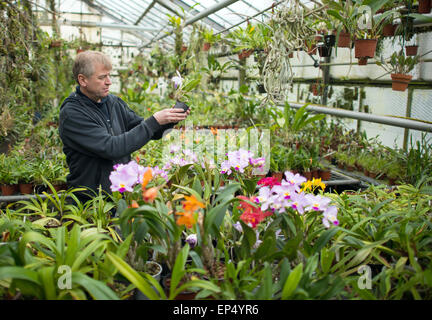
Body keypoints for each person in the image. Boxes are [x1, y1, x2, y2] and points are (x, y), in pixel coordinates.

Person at [59, 50, 189, 203]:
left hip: (121, 196)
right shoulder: (73, 113)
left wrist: (169, 119)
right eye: (102, 77)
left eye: (109, 76)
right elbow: (111, 148)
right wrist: (154, 121)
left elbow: (147, 130)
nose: (109, 82)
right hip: (90, 202)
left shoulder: (113, 103)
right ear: (83, 80)